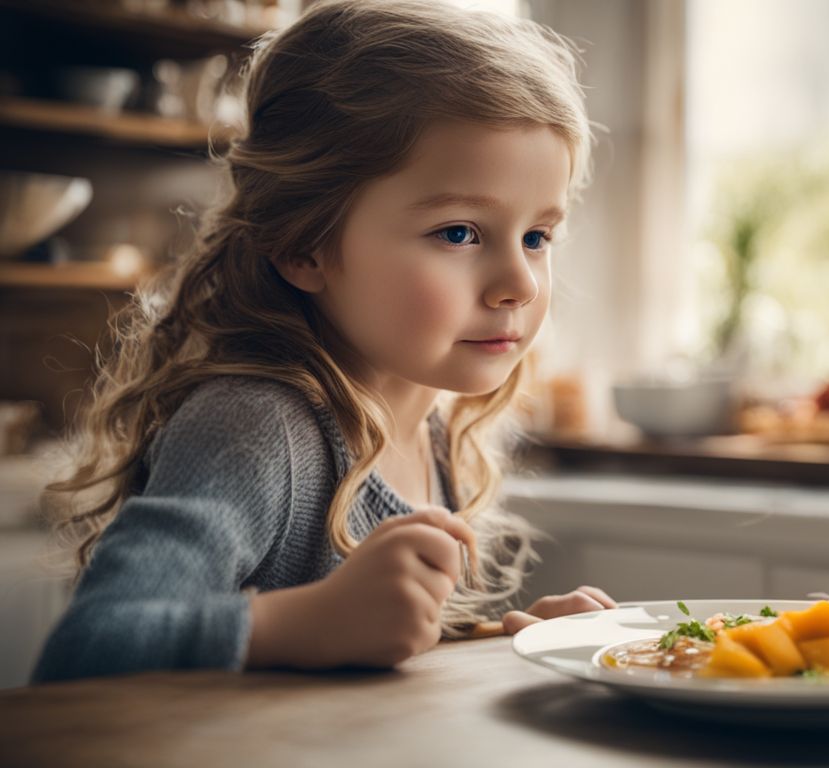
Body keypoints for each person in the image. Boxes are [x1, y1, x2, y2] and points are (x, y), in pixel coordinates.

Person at [32, 0, 614, 682]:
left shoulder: (432, 431)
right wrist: (300, 623)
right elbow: (90, 645)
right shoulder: (258, 427)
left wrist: (510, 644)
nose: (517, 281)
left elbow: (365, 666)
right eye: (459, 233)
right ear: (305, 245)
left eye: (537, 236)